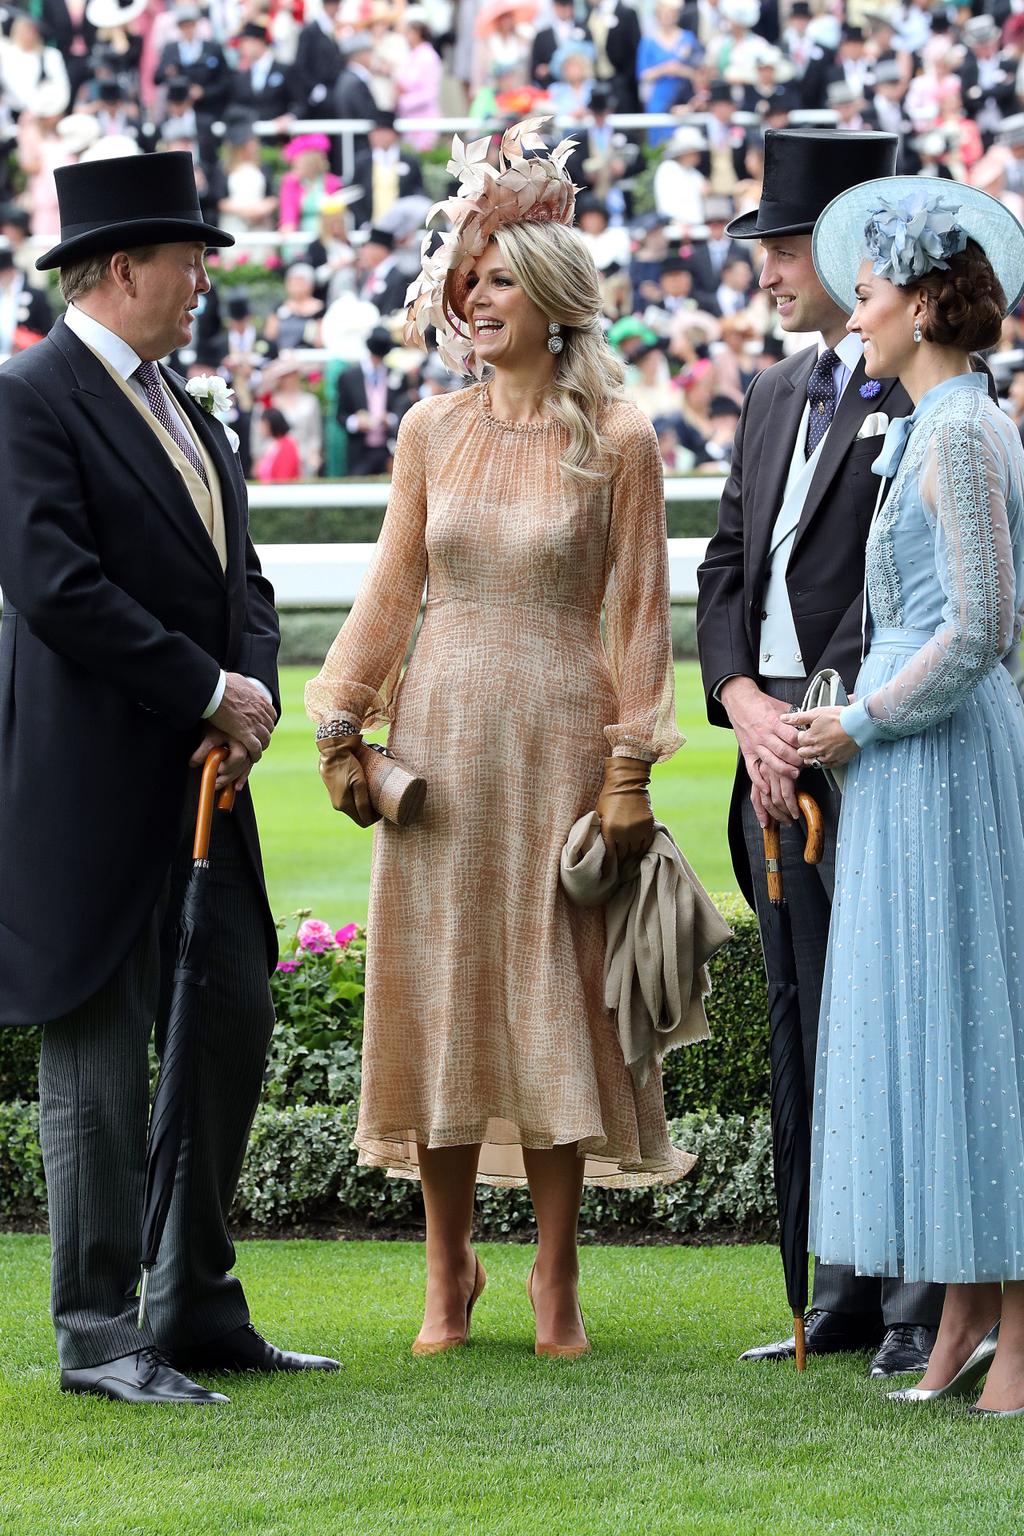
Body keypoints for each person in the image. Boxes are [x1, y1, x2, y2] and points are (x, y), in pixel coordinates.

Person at [306, 118, 691, 1359]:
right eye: (470, 281)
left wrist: (629, 767)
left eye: (501, 282)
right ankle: (444, 1275)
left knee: (554, 1000)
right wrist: (341, 732)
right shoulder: (429, 431)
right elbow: (388, 589)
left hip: (560, 742)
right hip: (442, 743)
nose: (476, 299)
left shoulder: (621, 440)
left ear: (557, 302)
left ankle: (555, 1282)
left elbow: (641, 622)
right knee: (441, 992)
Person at [0, 150, 338, 1404]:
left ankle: (190, 1306)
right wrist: (208, 690)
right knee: (97, 1058)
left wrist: (241, 699)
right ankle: (98, 1331)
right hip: (91, 795)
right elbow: (52, 587)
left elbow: (239, 580)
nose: (206, 278)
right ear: (123, 266)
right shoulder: (31, 396)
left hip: (208, 787)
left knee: (230, 1023)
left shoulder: (184, 406)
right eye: (190, 259)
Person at [696, 128, 947, 1378]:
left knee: (881, 1015)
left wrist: (814, 722)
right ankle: (830, 1286)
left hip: (860, 736)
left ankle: (912, 1300)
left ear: (857, 253)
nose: (770, 269)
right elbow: (726, 567)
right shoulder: (773, 393)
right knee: (797, 1017)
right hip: (767, 741)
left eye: (787, 247)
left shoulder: (926, 393)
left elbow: (903, 593)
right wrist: (741, 700)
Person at [790, 178, 1024, 1416]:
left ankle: (1013, 1332)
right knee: (930, 1028)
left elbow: (985, 626)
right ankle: (960, 1320)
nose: (853, 320)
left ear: (926, 303)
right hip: (902, 760)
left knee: (978, 1029)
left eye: (869, 297)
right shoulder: (934, 427)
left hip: (939, 757)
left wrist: (865, 717)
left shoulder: (967, 432)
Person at [255, 403, 302, 480]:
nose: (261, 428)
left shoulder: (287, 446)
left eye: (263, 424)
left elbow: (284, 477)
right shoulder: (274, 444)